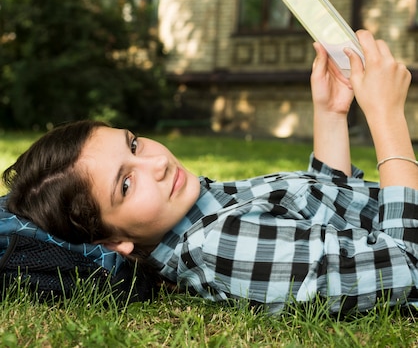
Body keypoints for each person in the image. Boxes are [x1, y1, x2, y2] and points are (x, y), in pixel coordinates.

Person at [3, 30, 418, 314]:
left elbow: (326, 215)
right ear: (113, 241)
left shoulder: (203, 208)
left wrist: (331, 113)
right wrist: (386, 118)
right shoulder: (221, 245)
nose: (158, 162)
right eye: (126, 184)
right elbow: (405, 264)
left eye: (133, 144)